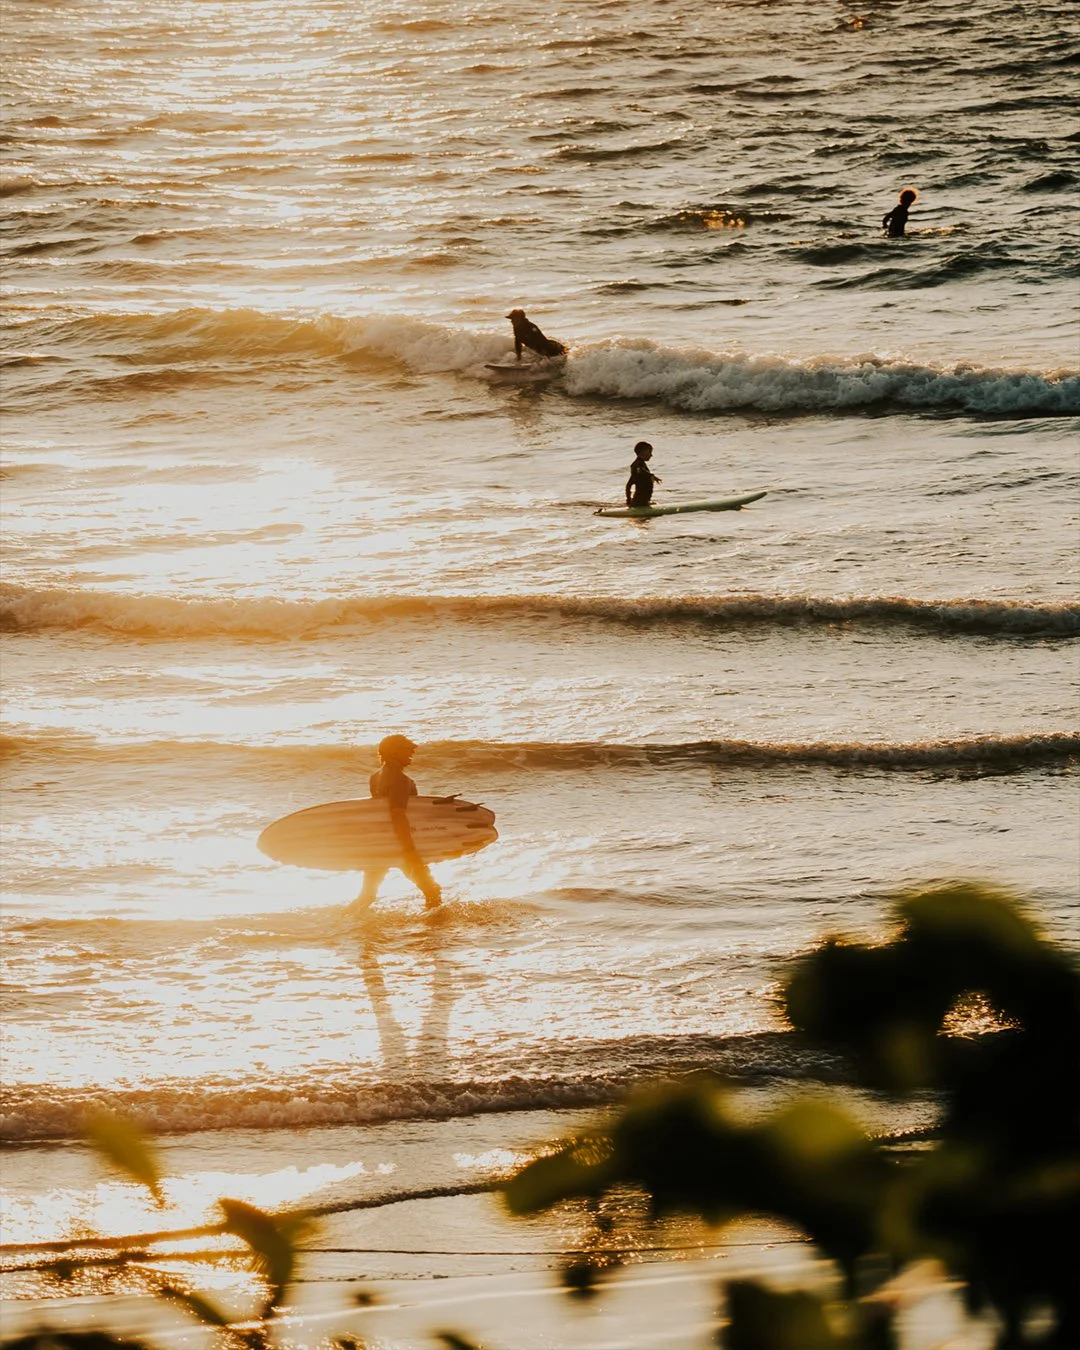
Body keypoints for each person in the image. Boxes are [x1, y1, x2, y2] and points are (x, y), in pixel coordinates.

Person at [352, 734, 442, 911]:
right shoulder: (401, 780)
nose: (412, 751)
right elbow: (398, 814)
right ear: (393, 752)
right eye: (406, 749)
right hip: (400, 842)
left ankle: (343, 924)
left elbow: (380, 812)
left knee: (367, 895)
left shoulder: (375, 777)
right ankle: (433, 932)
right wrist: (409, 849)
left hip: (381, 843)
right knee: (432, 891)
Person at [626, 441, 660, 509]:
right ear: (643, 452)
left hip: (642, 502)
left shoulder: (640, 464)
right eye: (649, 452)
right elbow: (640, 471)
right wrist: (651, 475)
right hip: (640, 502)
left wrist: (629, 500)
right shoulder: (636, 465)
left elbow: (629, 485)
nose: (651, 455)